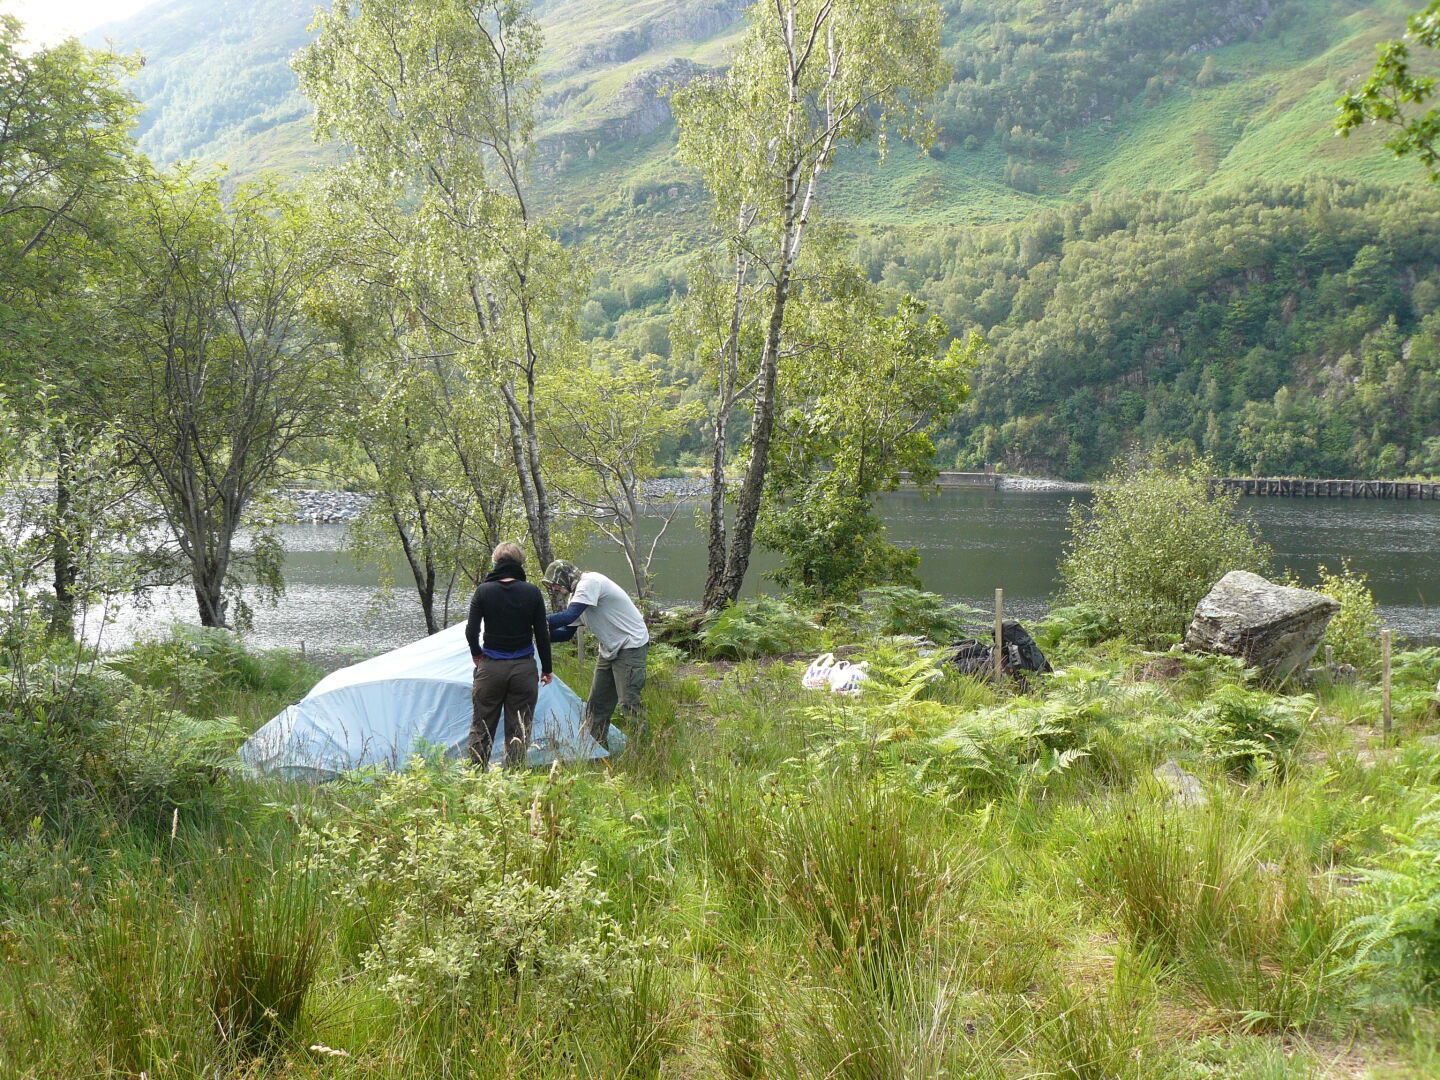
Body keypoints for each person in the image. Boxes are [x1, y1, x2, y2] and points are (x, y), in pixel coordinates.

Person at [541, 559, 649, 750]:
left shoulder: (589, 582)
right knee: (596, 706)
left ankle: (646, 751)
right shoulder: (576, 597)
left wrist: (531, 620)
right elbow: (566, 633)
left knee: (629, 703)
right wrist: (534, 635)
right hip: (609, 650)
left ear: (566, 577)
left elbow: (566, 617)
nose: (555, 588)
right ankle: (596, 750)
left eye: (556, 583)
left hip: (630, 646)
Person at [465, 542, 553, 769]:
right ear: (520, 563)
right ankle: (515, 778)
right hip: (523, 669)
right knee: (519, 730)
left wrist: (477, 654)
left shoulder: (484, 591)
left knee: (482, 726)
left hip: (491, 667)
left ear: (495, 562)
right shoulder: (532, 592)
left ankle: (474, 777)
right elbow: (542, 634)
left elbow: (471, 630)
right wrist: (547, 668)